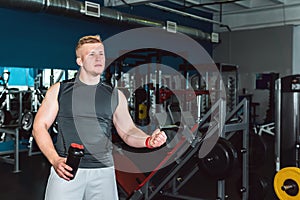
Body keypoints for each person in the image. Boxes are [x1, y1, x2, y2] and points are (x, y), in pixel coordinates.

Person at [32, 35, 167, 200]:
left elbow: (128, 131)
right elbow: (40, 127)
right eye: (92, 54)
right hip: (67, 168)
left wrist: (147, 140)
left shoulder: (114, 94)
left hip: (103, 171)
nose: (99, 58)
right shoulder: (59, 90)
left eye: (101, 53)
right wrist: (54, 160)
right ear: (79, 61)